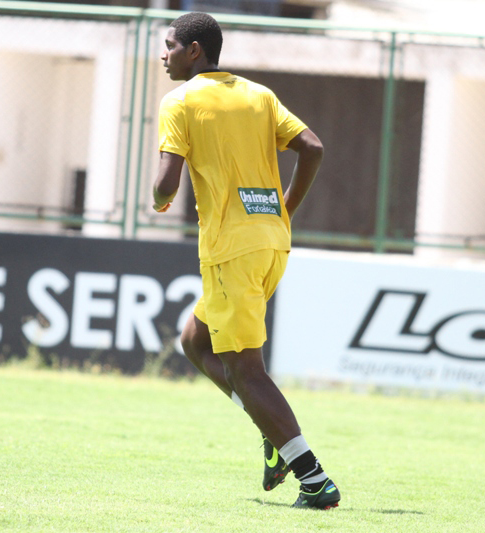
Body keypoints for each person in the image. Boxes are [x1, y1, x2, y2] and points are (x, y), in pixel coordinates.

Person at [152, 12, 340, 510]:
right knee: (196, 339)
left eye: (170, 45)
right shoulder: (259, 94)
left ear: (194, 51)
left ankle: (314, 479)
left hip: (231, 249)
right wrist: (284, 209)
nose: (163, 54)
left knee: (247, 371)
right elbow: (312, 148)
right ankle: (270, 431)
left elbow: (166, 183)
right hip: (272, 242)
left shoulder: (180, 101)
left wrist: (157, 197)